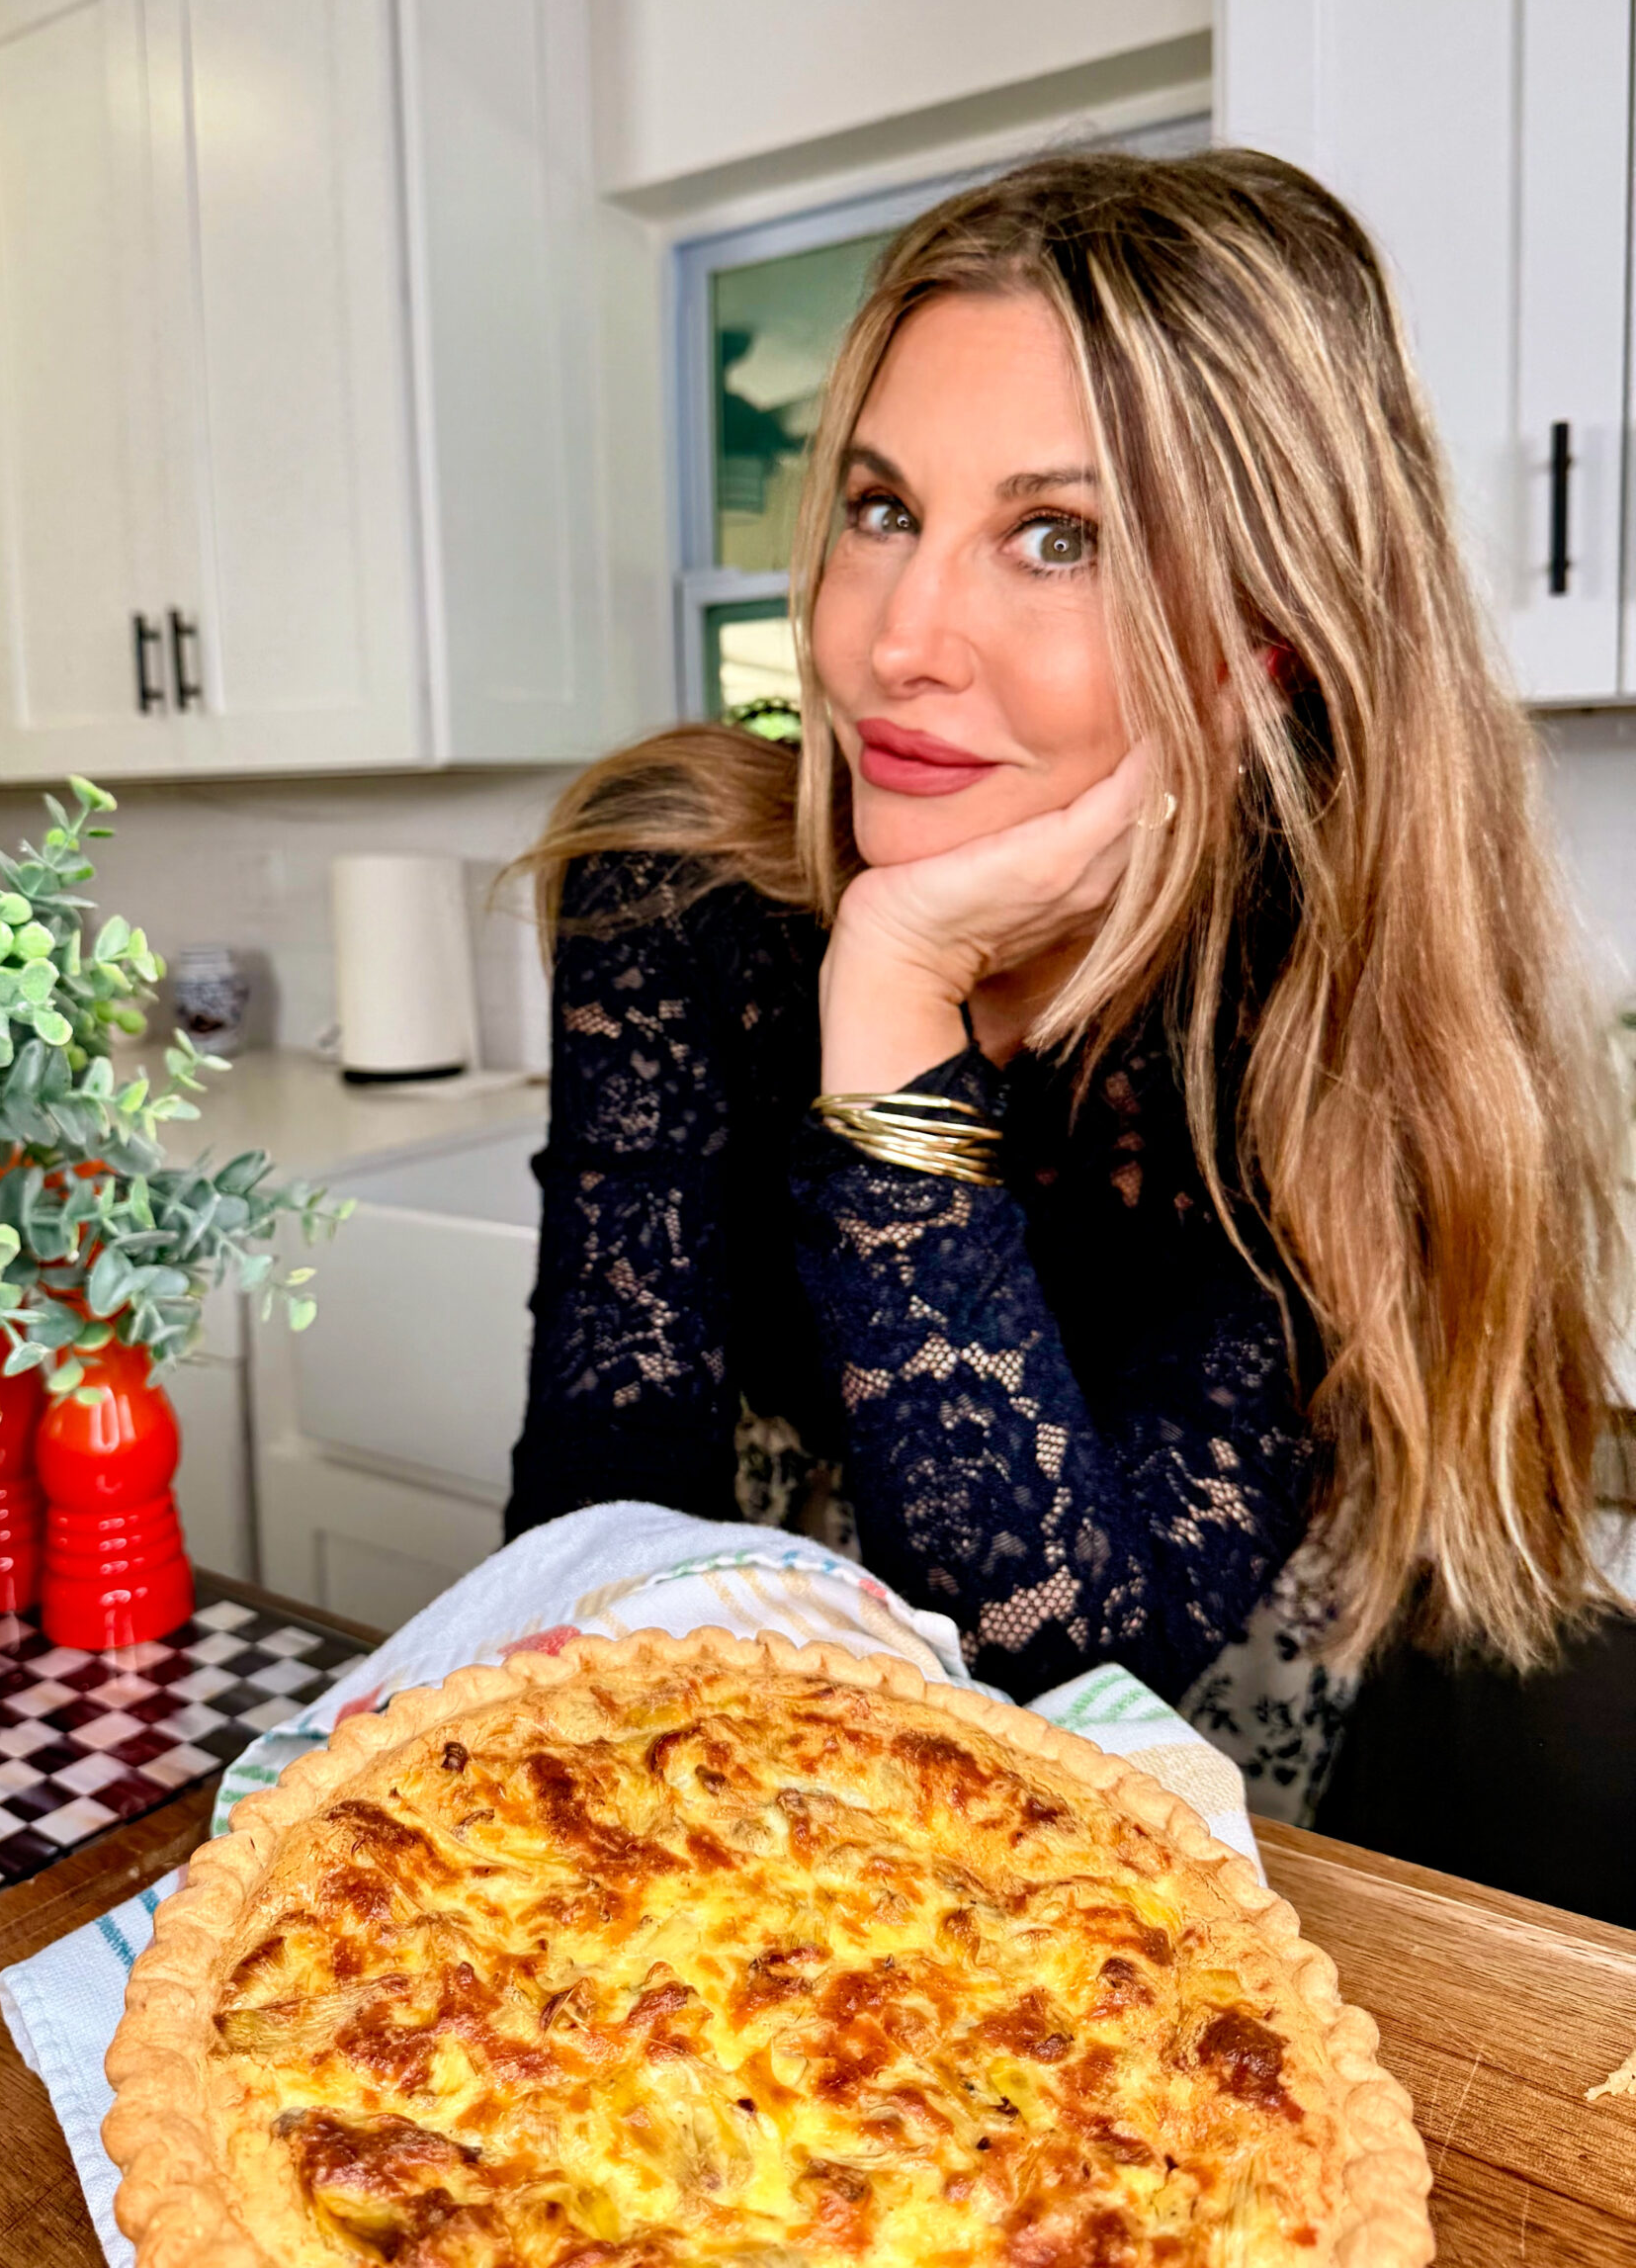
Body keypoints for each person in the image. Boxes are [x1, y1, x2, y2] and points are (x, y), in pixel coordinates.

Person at [504, 149, 1628, 1816]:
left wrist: (897, 985)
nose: (899, 638)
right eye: (884, 511)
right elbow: (597, 1537)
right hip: (727, 1818)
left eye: (1054, 538)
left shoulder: (1311, 1027)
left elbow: (1060, 1682)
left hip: (1158, 1880)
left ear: (1269, 651)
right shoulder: (676, 895)